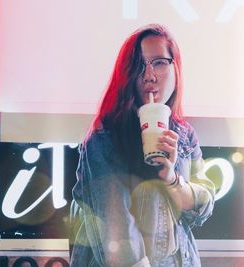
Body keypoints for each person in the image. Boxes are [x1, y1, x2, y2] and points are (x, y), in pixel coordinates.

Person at [70, 24, 215, 267]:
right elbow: (119, 238)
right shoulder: (105, 138)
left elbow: (203, 206)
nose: (149, 75)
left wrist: (172, 179)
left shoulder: (185, 135)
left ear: (175, 68)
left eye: (159, 62)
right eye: (139, 66)